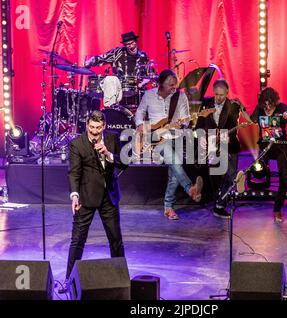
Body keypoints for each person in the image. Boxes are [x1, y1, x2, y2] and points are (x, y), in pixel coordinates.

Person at [59, 110, 126, 293]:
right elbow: (74, 172)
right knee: (77, 240)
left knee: (116, 239)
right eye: (91, 127)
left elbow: (124, 162)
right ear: (87, 125)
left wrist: (109, 154)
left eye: (97, 128)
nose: (94, 132)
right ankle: (68, 279)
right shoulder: (77, 144)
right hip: (86, 197)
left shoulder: (112, 139)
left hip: (108, 197)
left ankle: (120, 277)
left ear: (103, 126)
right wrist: (74, 195)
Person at [135, 69, 203, 220]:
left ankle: (168, 207)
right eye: (170, 85)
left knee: (174, 173)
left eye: (175, 85)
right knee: (176, 162)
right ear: (161, 84)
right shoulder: (149, 95)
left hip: (176, 136)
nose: (174, 88)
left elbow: (186, 119)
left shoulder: (181, 96)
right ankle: (190, 189)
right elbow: (139, 113)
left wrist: (182, 123)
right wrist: (140, 125)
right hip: (157, 138)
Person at [196, 79, 252, 218]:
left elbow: (249, 121)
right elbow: (199, 124)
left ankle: (220, 204)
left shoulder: (233, 106)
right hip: (211, 144)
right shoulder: (206, 103)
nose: (219, 98)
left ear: (227, 93)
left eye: (221, 95)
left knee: (231, 174)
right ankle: (218, 202)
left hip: (230, 144)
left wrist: (242, 106)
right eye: (216, 94)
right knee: (216, 175)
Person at [250, 87, 287, 223]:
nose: (267, 108)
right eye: (264, 105)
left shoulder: (282, 108)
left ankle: (277, 210)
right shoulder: (259, 109)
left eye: (270, 105)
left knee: (284, 179)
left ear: (275, 102)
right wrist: (241, 109)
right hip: (265, 147)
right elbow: (251, 121)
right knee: (258, 170)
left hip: (280, 146)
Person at [85, 31, 150, 106]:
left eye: (133, 43)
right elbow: (102, 58)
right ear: (124, 45)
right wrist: (90, 61)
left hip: (137, 91)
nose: (131, 46)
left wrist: (141, 84)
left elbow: (147, 76)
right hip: (118, 90)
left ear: (136, 42)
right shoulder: (117, 53)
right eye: (128, 44)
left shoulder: (143, 56)